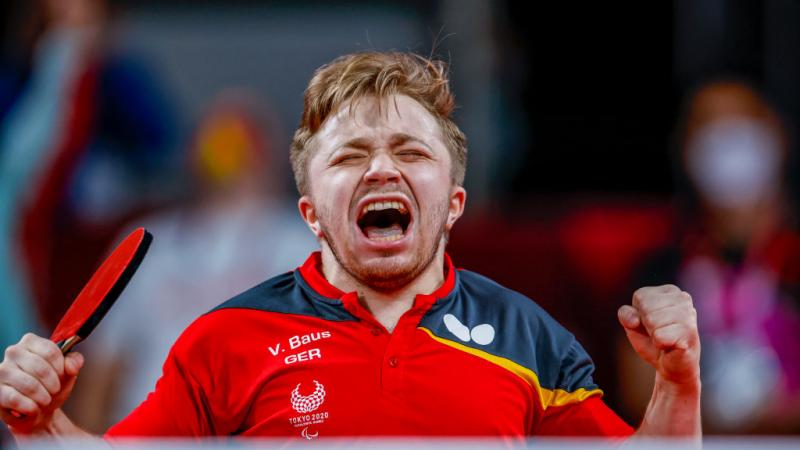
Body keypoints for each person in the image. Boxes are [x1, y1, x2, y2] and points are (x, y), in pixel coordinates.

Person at [0, 52, 701, 440]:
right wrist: (41, 427)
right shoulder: (225, 339)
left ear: (455, 203)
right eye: (350, 155)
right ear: (310, 210)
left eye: (408, 150)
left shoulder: (530, 339)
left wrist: (678, 384)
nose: (381, 168)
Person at [618, 80, 800, 433]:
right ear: (686, 151)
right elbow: (637, 393)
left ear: (777, 136)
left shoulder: (791, 260)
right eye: (709, 126)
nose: (726, 139)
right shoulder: (660, 271)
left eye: (741, 121)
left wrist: (769, 416)